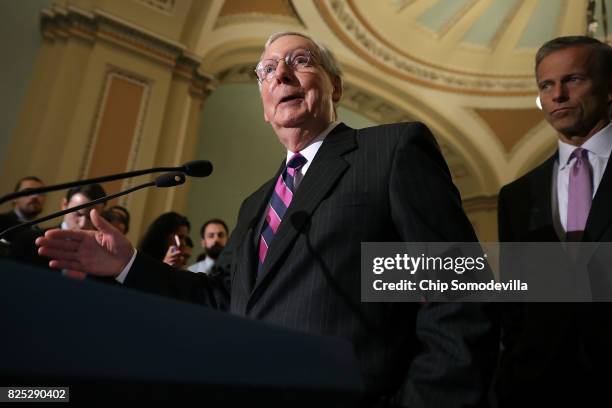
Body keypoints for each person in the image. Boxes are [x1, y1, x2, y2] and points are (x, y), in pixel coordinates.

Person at [37, 32, 498, 406]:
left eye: (300, 60)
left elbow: (460, 288)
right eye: (267, 69)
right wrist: (128, 265)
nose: (281, 72)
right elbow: (221, 297)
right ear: (264, 101)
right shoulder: (257, 203)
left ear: (334, 86)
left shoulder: (391, 150)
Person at [496, 36, 612, 407]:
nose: (557, 95)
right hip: (541, 387)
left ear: (608, 89)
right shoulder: (516, 196)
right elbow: (517, 304)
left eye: (573, 80)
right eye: (546, 85)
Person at [0, 176, 46, 242]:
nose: (35, 196)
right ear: (14, 197)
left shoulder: (41, 234)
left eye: (40, 192)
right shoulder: (1, 222)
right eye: (28, 191)